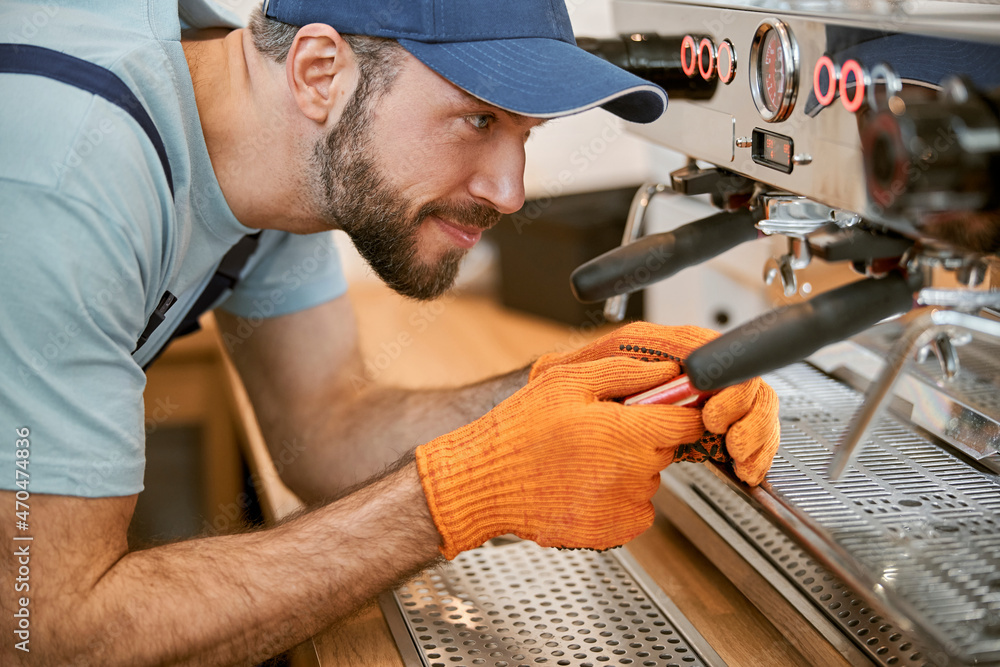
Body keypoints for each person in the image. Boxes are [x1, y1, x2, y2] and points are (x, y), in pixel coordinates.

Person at [0, 0, 780, 664]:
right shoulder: (68, 178)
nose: (510, 192)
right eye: (477, 119)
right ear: (319, 72)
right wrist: (455, 496)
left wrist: (567, 390)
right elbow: (47, 629)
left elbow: (325, 427)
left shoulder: (276, 151)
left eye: (524, 135)